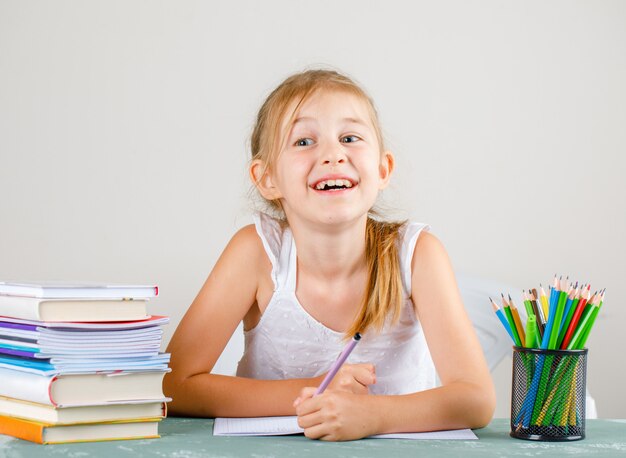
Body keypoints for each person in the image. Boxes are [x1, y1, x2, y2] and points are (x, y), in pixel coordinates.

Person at [163, 68, 496, 441]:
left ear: (383, 168)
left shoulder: (418, 255)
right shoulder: (256, 253)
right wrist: (318, 390)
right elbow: (173, 384)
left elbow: (476, 400)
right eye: (304, 142)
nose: (333, 154)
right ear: (267, 177)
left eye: (350, 137)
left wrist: (374, 416)